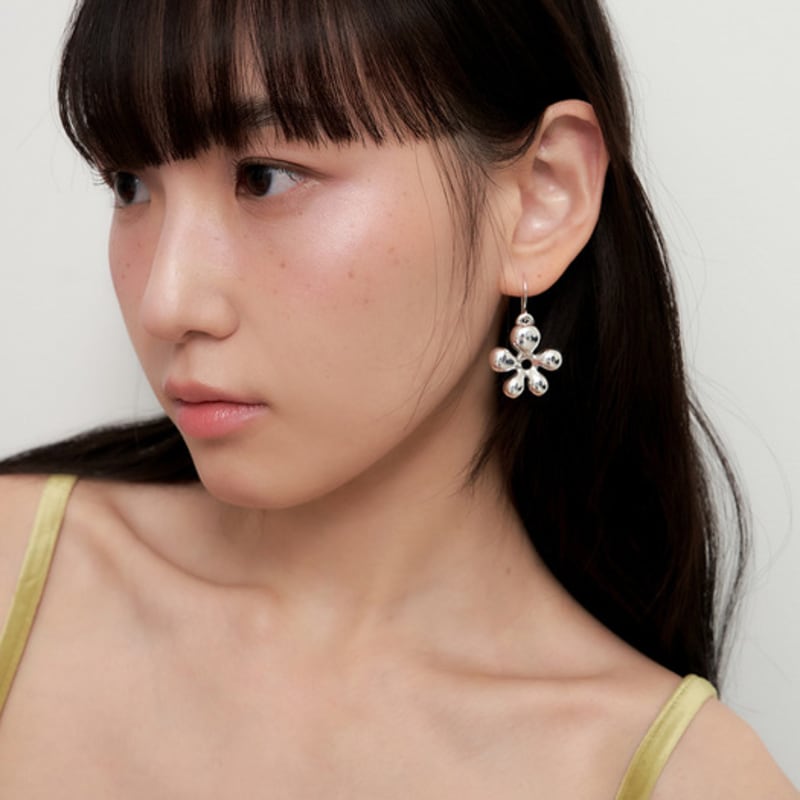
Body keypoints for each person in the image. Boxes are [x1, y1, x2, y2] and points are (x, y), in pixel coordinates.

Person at [0, 0, 796, 795]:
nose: (166, 302)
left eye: (264, 178)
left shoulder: (686, 778)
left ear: (540, 199)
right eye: (131, 185)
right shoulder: (16, 570)